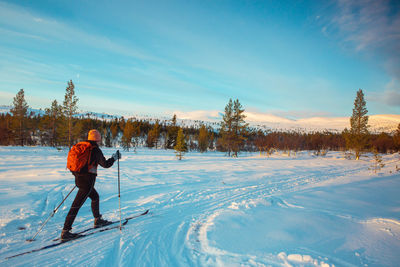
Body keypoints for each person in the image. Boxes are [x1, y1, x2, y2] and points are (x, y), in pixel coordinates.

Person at [61, 129, 121, 241]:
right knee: (76, 205)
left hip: (80, 180)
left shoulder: (82, 146)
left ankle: (97, 220)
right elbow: (105, 164)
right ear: (97, 139)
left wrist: (79, 176)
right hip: (87, 182)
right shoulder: (95, 150)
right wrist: (114, 158)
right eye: (99, 138)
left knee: (95, 197)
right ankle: (66, 231)